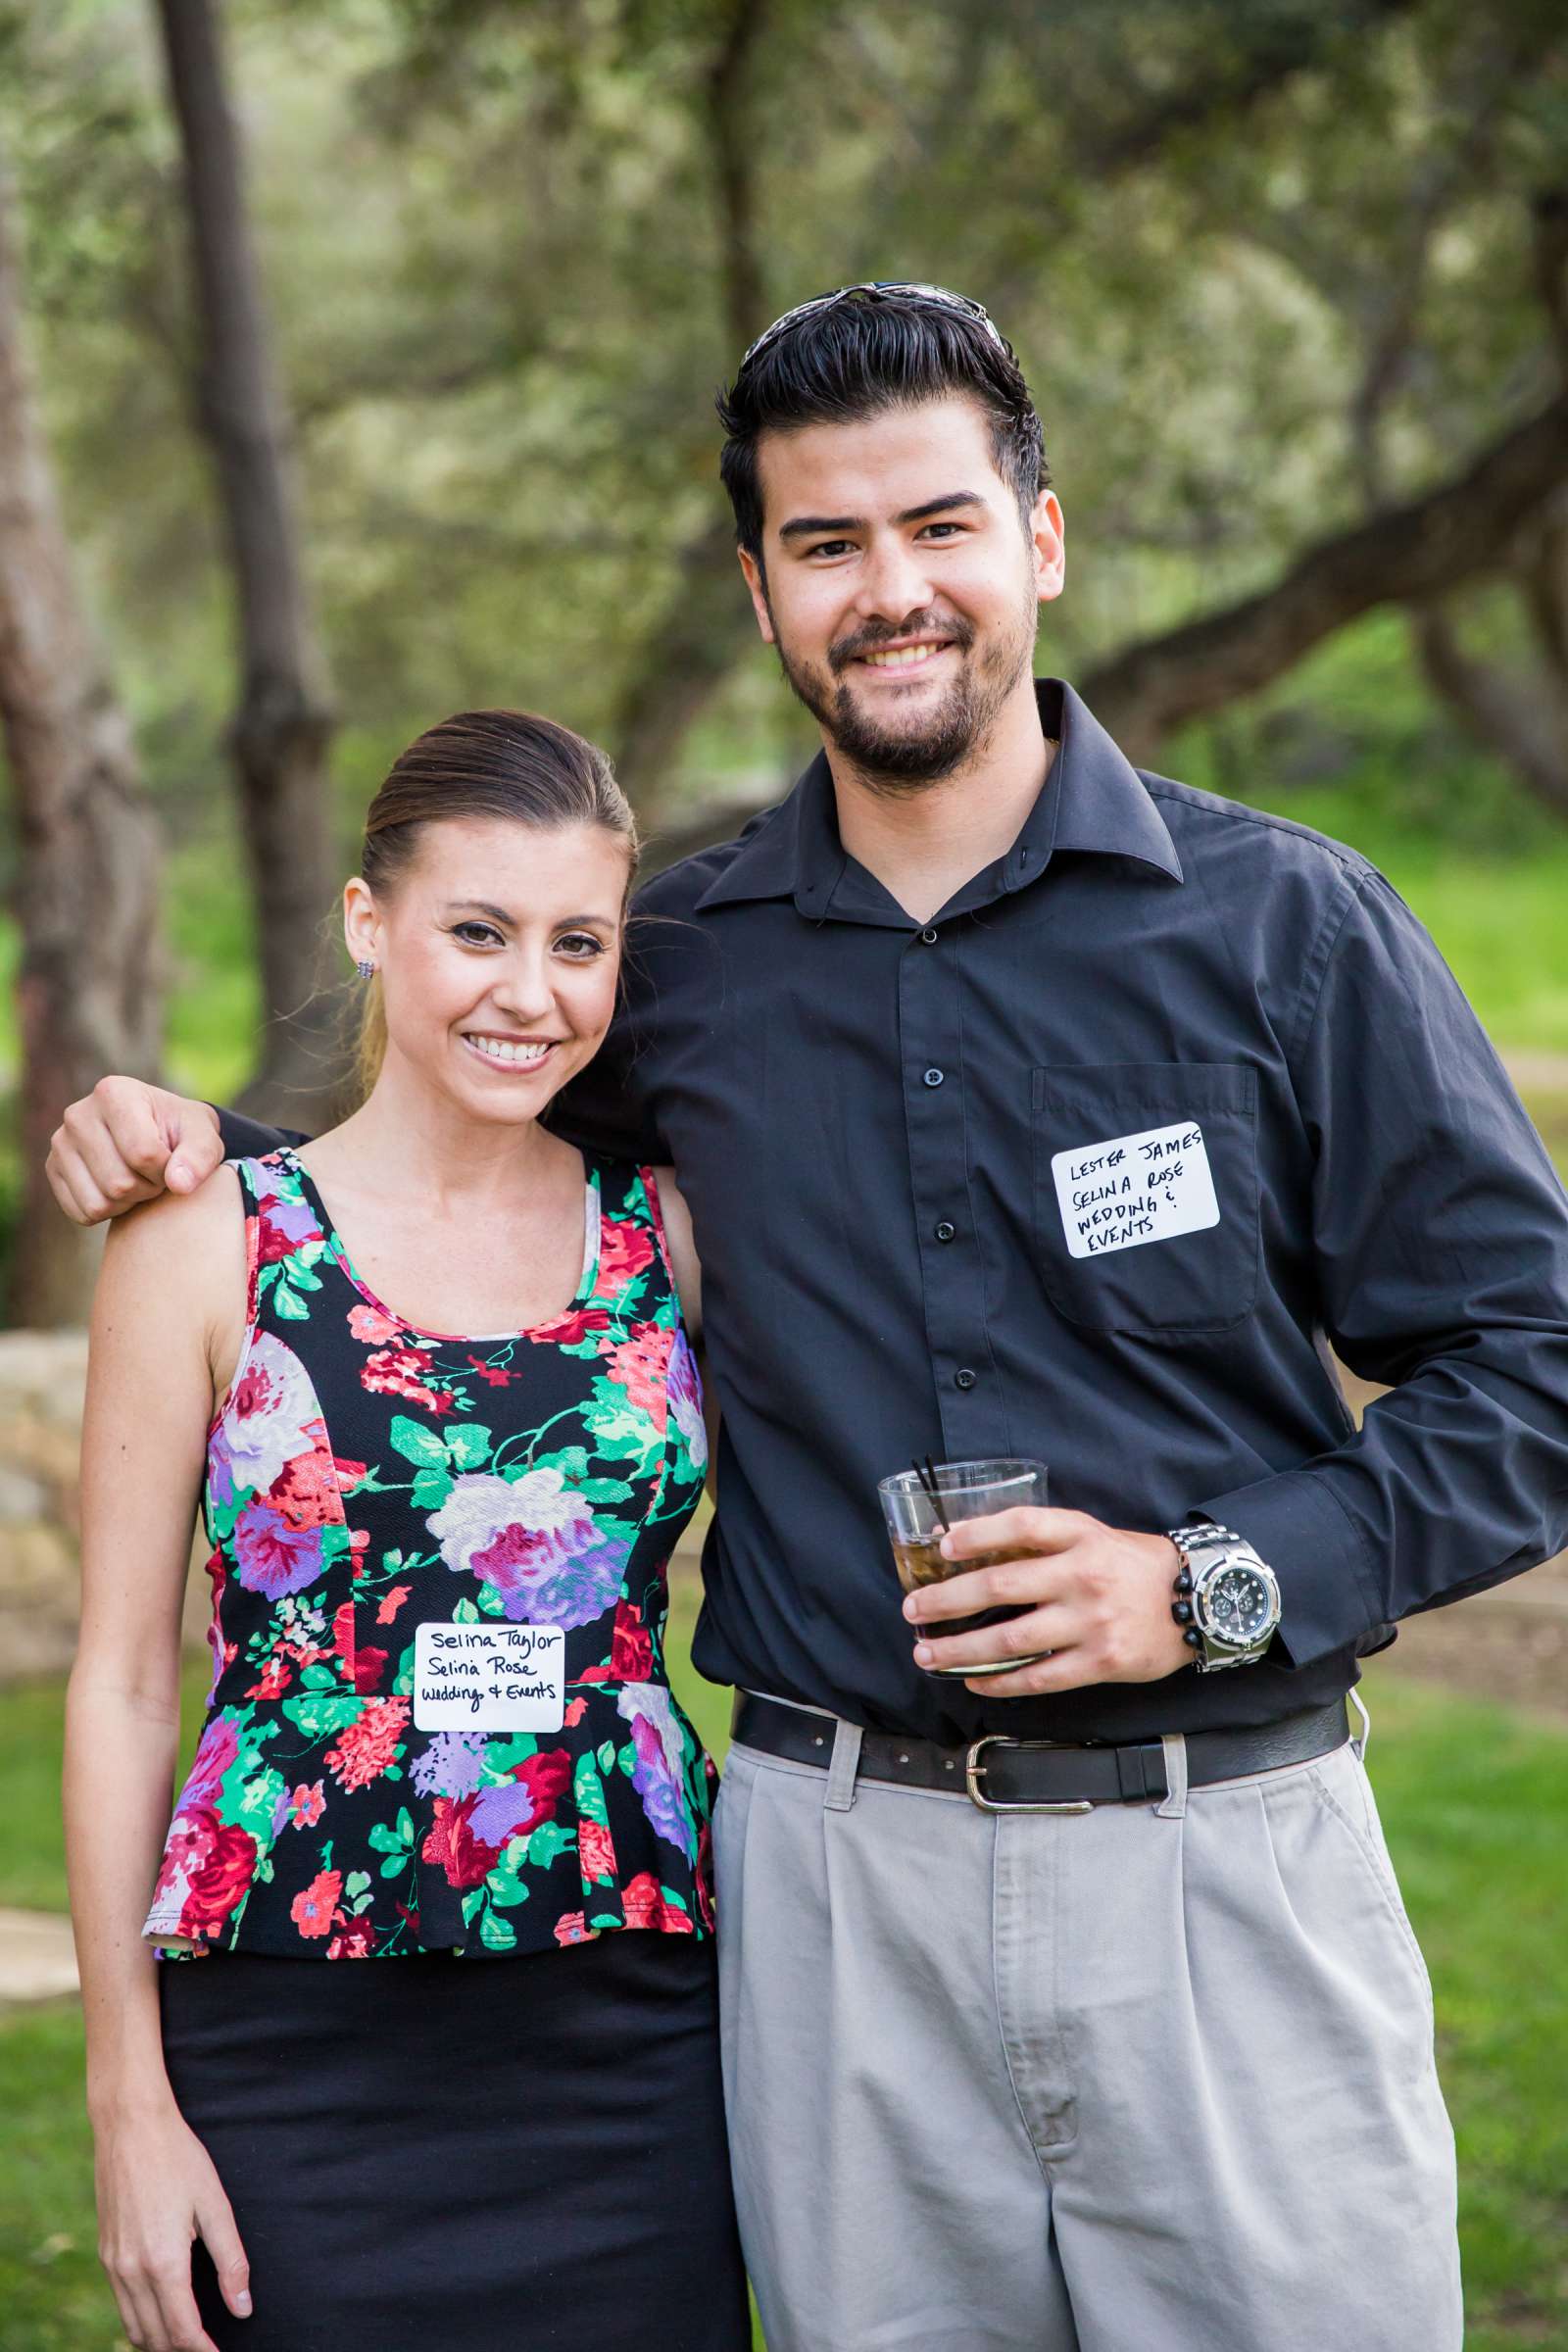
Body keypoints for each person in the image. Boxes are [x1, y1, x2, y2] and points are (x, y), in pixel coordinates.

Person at [52, 286, 1568, 2352]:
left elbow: (1533, 1368)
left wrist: (1207, 1584)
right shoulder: (669, 964)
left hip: (1225, 1869)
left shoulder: (1283, 930)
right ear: (761, 592)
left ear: (1038, 538)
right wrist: (193, 1144)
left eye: (936, 525)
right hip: (830, 1897)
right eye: (825, 545)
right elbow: (443, 1184)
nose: (891, 591)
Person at [63, 710, 750, 2352]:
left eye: (579, 942)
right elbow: (120, 1686)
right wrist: (126, 2105)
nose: (533, 992)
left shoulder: (667, 1230)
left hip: (630, 2033)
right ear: (371, 923)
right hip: (290, 2039)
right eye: (479, 931)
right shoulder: (207, 1241)